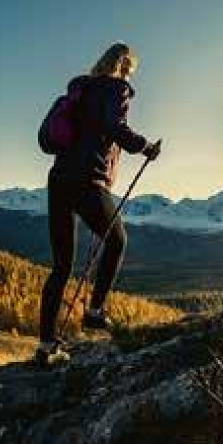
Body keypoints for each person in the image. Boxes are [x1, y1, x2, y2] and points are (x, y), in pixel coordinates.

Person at [35, 42, 162, 366]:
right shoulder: (116, 88)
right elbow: (113, 126)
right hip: (88, 178)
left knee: (61, 266)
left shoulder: (79, 90)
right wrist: (145, 146)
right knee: (117, 240)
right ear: (123, 65)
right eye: (131, 69)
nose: (131, 75)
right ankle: (94, 312)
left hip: (60, 177)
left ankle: (46, 346)